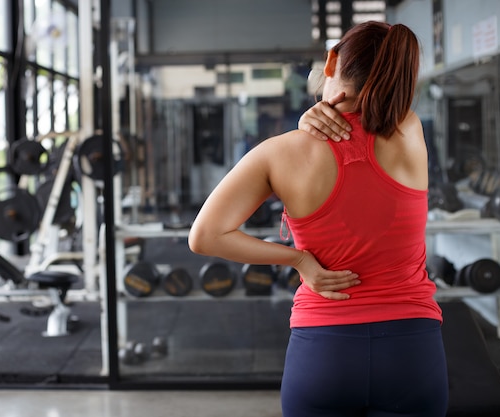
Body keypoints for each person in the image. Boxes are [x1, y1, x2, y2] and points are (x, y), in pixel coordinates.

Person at [188, 20, 448, 417]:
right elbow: (374, 118)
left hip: (324, 350)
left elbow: (205, 235)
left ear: (331, 61)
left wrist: (297, 260)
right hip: (411, 350)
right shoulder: (409, 131)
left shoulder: (278, 153)